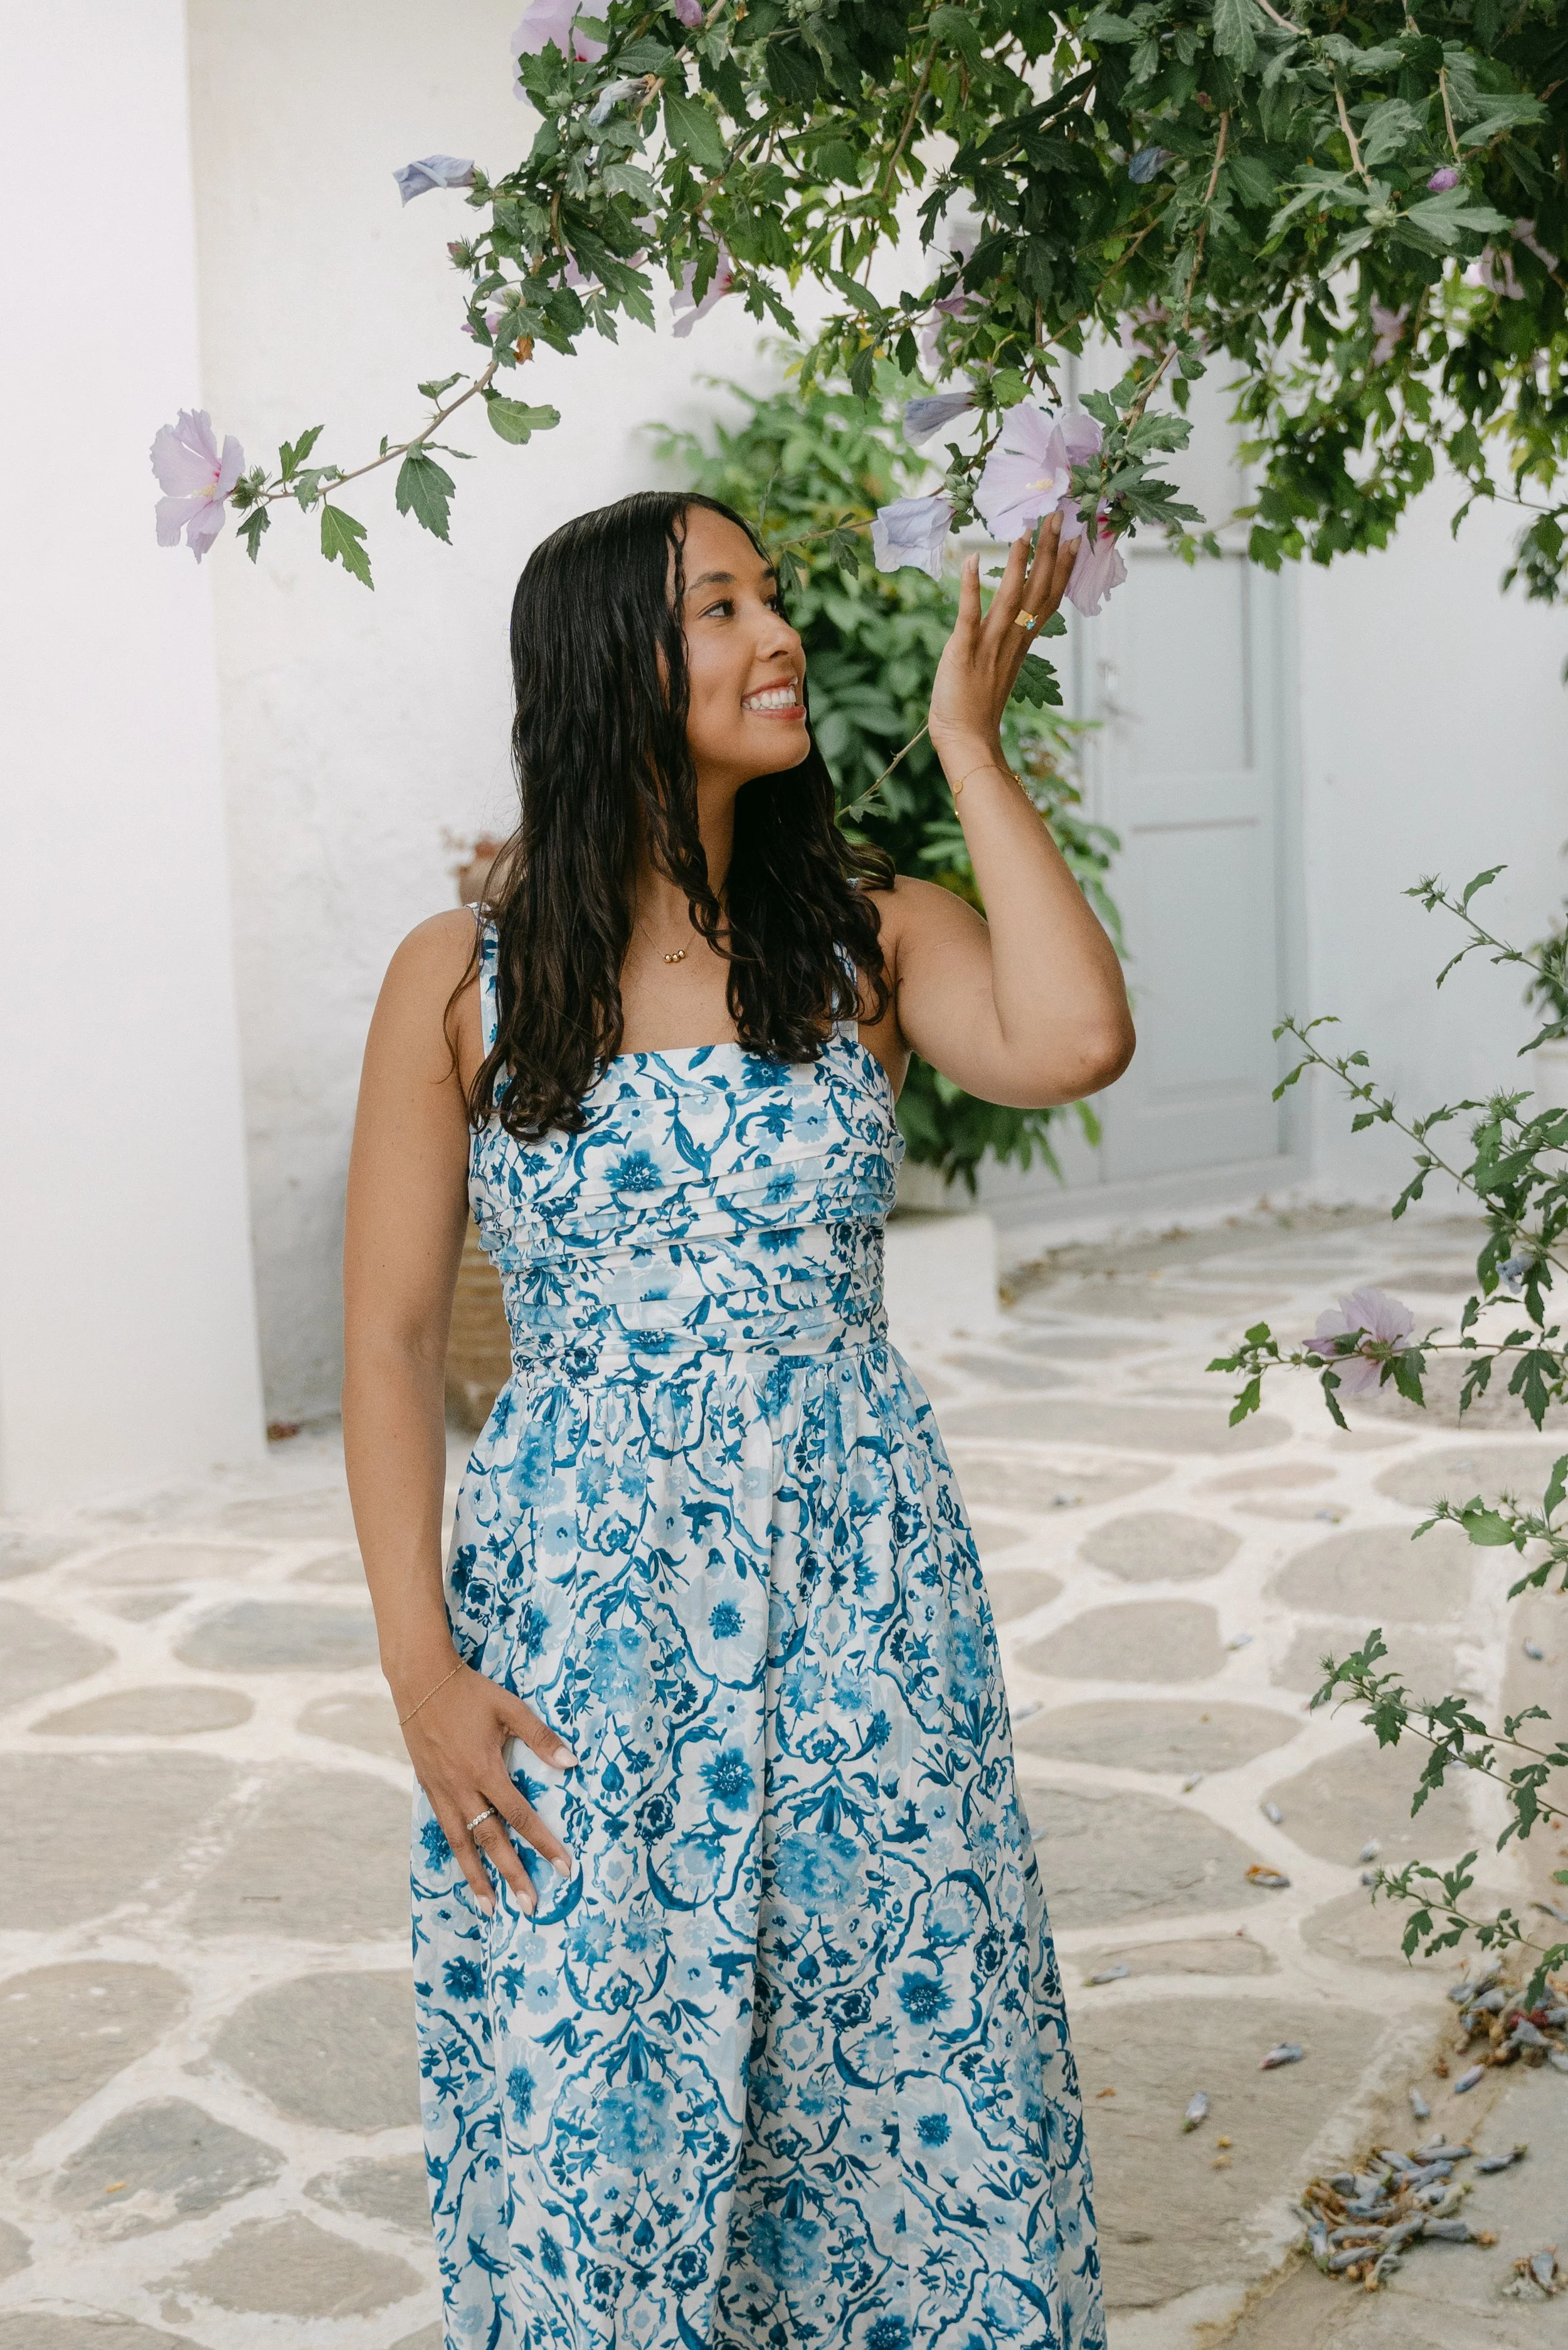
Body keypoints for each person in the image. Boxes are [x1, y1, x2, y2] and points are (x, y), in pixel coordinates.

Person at [342, 487, 1133, 2350]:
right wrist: (419, 1669)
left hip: (855, 1590)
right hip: (580, 1621)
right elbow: (383, 1343)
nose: (775, 635)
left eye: (769, 598)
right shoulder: (458, 978)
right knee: (599, 2095)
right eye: (720, 608)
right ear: (609, 666)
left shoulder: (864, 935)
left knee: (898, 2046)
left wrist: (968, 741)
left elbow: (1072, 1038)